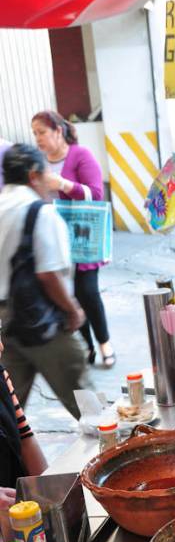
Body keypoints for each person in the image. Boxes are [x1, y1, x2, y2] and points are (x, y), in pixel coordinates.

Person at [0, 144, 90, 420]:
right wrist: (73, 310)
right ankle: (111, 444)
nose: (50, 181)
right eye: (46, 174)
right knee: (89, 406)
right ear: (33, 175)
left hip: (5, 326)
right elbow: (48, 274)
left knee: (9, 410)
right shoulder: (40, 212)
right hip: (43, 322)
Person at [31, 110, 115, 368]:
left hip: (82, 239)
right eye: (34, 133)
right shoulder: (38, 162)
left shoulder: (80, 155)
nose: (38, 138)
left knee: (87, 292)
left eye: (42, 132)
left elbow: (96, 194)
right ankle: (87, 346)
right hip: (53, 242)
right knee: (69, 297)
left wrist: (63, 185)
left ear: (58, 131)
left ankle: (104, 343)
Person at [0, 319, 47, 538]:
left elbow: (25, 437)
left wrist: (48, 498)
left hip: (17, 519)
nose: (1, 347)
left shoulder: (1, 377)